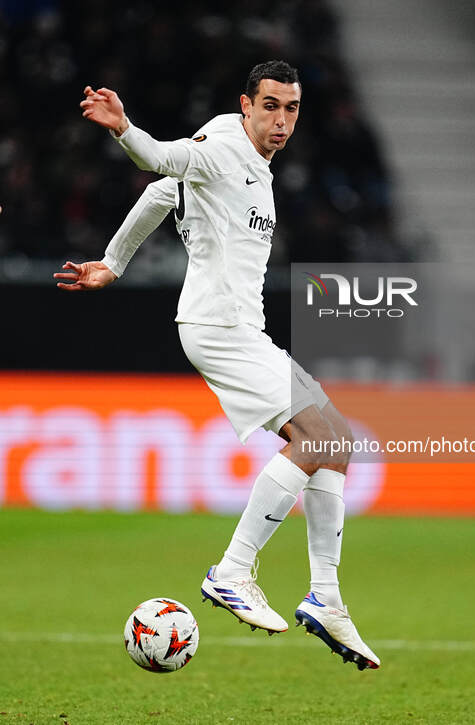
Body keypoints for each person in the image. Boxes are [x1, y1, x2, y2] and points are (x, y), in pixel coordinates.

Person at [54, 60, 379, 671]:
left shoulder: (251, 161)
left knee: (336, 444)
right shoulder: (224, 147)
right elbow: (157, 164)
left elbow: (160, 195)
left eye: (291, 109)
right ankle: (232, 572)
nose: (281, 120)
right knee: (313, 439)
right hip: (219, 328)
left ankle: (327, 598)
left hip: (240, 329)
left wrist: (112, 263)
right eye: (271, 106)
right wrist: (124, 129)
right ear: (246, 104)